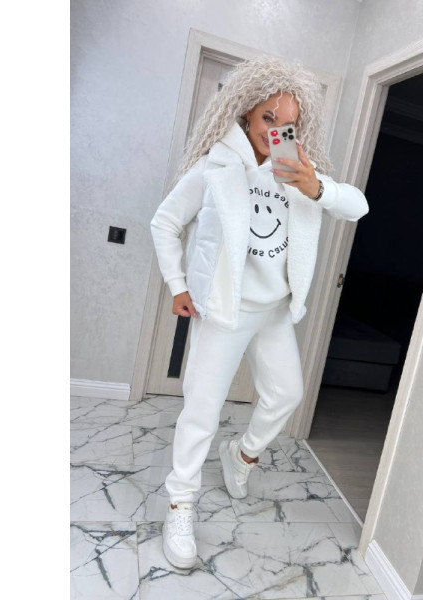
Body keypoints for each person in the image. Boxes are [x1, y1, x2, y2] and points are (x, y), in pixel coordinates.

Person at [150, 55, 369, 570]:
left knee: (286, 393)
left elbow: (357, 206)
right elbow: (165, 222)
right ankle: (180, 505)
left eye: (286, 122)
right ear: (246, 112)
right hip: (222, 311)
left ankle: (242, 455)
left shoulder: (298, 171)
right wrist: (177, 284)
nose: (275, 130)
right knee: (201, 411)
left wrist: (317, 188)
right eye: (267, 117)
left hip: (273, 310)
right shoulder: (215, 167)